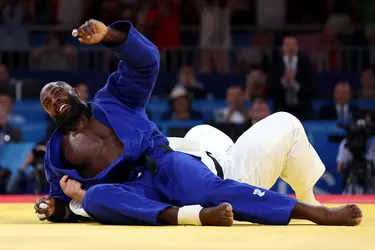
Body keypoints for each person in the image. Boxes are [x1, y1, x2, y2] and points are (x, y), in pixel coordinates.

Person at [35, 19, 362, 227]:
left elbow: (146, 62)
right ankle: (193, 216)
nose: (54, 100)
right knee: (93, 198)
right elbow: (62, 201)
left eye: (58, 92)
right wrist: (55, 208)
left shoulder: (113, 101)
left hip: (164, 164)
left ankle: (311, 211)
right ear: (49, 115)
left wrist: (110, 35)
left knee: (210, 186)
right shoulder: (58, 154)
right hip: (134, 192)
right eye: (47, 102)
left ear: (77, 92)